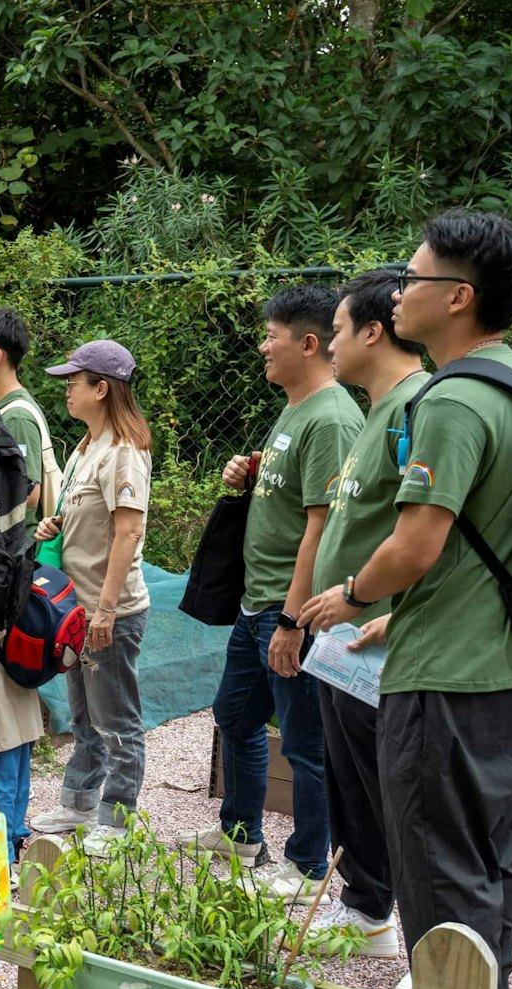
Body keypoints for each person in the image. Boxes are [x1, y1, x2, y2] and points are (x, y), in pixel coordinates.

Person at [299, 209, 512, 989]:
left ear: (459, 297)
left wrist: (353, 596)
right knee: (483, 858)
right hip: (507, 664)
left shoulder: (456, 400)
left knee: (437, 863)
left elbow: (414, 545)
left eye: (414, 278)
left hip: (443, 670)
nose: (399, 291)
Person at [187, 287, 362, 900]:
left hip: (291, 611)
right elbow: (293, 492)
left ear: (308, 344)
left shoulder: (332, 418)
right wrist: (251, 472)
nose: (262, 346)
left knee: (307, 743)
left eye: (271, 336)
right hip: (256, 603)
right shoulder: (296, 409)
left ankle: (309, 866)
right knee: (235, 716)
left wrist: (292, 622)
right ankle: (240, 834)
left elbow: (322, 527)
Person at [302, 270, 427, 969]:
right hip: (341, 642)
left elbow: (432, 533)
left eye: (340, 331)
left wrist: (392, 612)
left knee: (389, 789)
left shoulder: (417, 407)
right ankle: (367, 910)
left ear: (374, 332)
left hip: (378, 641)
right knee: (349, 778)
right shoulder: (374, 409)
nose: (332, 346)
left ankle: (425, 947)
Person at [28, 341, 151, 847]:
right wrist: (55, 525)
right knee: (83, 716)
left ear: (101, 389)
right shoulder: (85, 447)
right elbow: (89, 516)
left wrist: (105, 609)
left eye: (73, 382)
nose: (66, 391)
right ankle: (79, 803)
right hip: (76, 608)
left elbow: (128, 532)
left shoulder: (124, 453)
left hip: (110, 612)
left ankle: (118, 821)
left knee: (116, 720)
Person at [0, 307, 61, 856]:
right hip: (10, 576)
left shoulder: (14, 415)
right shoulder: (6, 410)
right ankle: (15, 835)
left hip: (2, 578)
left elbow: (25, 492)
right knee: (11, 720)